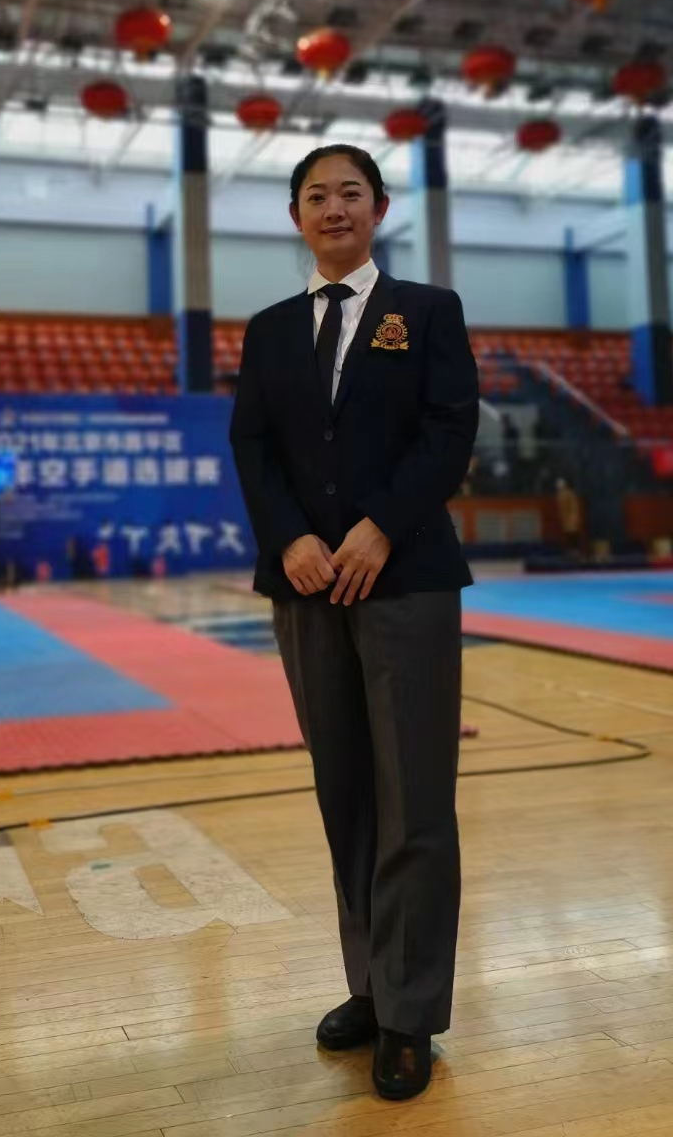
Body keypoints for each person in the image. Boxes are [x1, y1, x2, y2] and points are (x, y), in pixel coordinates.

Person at [229, 144, 479, 1102]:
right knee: (346, 794)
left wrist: (382, 526)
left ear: (378, 207)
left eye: (350, 193)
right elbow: (252, 445)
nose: (333, 208)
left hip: (405, 577)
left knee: (414, 800)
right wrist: (290, 536)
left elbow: (449, 431)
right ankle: (370, 986)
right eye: (315, 195)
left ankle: (411, 1014)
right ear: (295, 215)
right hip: (306, 584)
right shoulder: (269, 330)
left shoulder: (427, 311)